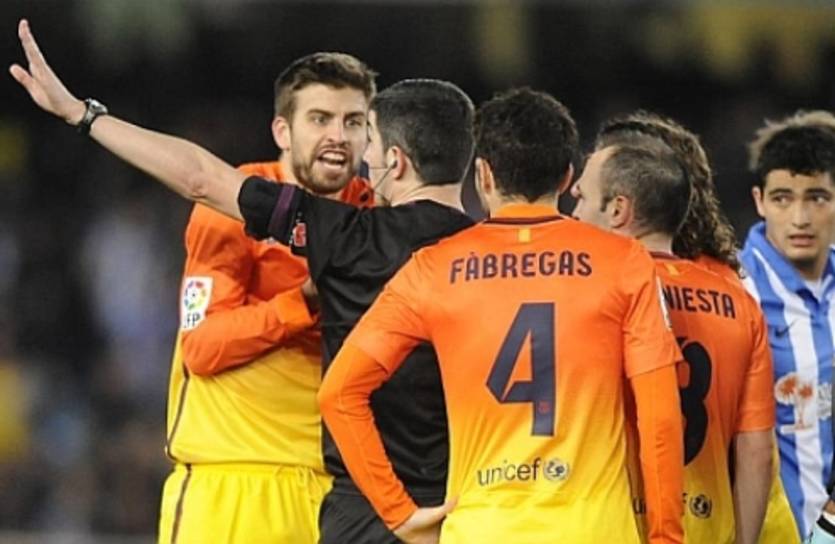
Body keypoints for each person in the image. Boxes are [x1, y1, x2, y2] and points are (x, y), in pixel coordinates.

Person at [9, 19, 475, 542]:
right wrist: (303, 303)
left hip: (337, 488)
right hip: (234, 480)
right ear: (282, 132)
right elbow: (202, 348)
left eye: (353, 122)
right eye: (320, 119)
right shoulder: (234, 209)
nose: (338, 137)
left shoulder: (370, 220)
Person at [317, 87, 685, 544]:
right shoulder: (624, 262)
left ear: (484, 175)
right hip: (592, 530)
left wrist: (397, 512)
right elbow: (660, 418)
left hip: (483, 529)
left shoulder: (432, 268)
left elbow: (339, 393)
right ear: (567, 176)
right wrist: (666, 537)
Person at [596, 111, 800, 544]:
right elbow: (754, 444)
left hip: (648, 519)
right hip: (743, 517)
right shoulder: (732, 285)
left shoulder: (611, 288)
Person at [739, 110, 835, 540]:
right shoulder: (736, 291)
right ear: (759, 201)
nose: (800, 218)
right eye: (782, 198)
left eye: (817, 197)